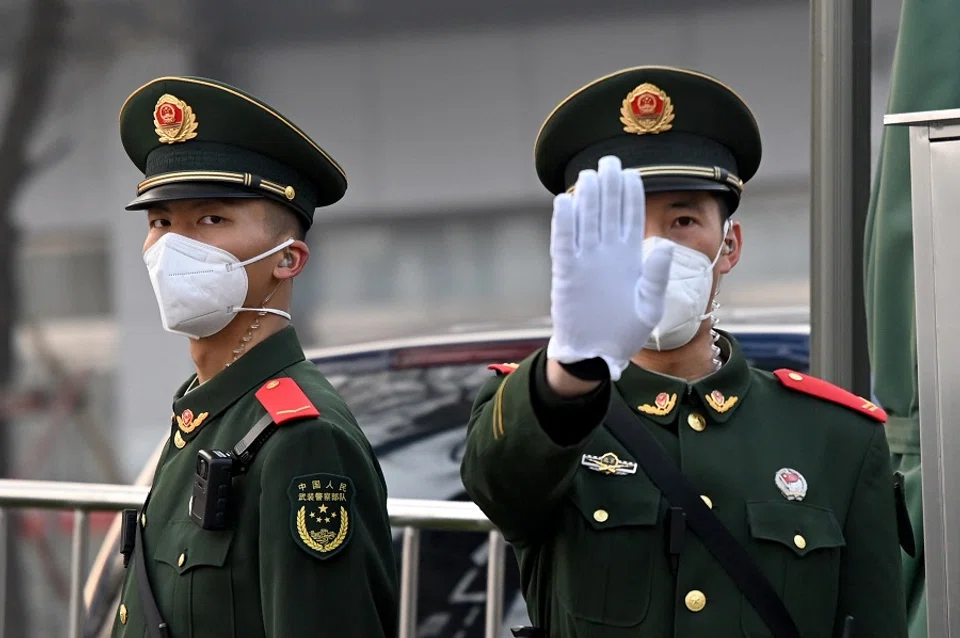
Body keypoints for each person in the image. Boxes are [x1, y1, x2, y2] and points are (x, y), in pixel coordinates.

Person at [460, 66, 909, 637]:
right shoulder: (547, 411)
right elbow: (499, 486)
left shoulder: (836, 437)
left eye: (683, 219)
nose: (654, 250)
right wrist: (573, 370)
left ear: (729, 246)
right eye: (626, 226)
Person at [110, 76, 398, 638]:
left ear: (287, 260)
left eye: (210, 220)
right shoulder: (205, 411)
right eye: (160, 223)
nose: (173, 247)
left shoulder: (300, 438)